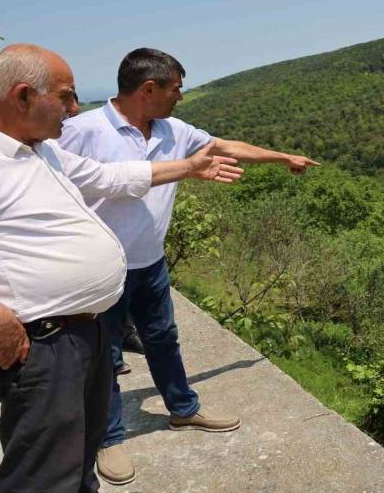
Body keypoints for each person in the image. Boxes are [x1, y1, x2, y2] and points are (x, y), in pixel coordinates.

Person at [0, 44, 243, 492]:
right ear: (23, 96)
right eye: (66, 96)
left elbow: (105, 177)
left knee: (79, 458)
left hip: (82, 332)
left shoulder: (35, 149)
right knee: (45, 476)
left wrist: (187, 167)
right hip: (40, 346)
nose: (74, 109)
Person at [58, 47, 319, 485]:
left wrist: (282, 157)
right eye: (176, 89)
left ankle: (183, 409)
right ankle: (109, 437)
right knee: (105, 356)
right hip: (101, 268)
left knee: (163, 339)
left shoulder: (172, 130)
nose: (181, 96)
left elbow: (224, 146)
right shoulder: (82, 130)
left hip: (151, 262)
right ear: (148, 88)